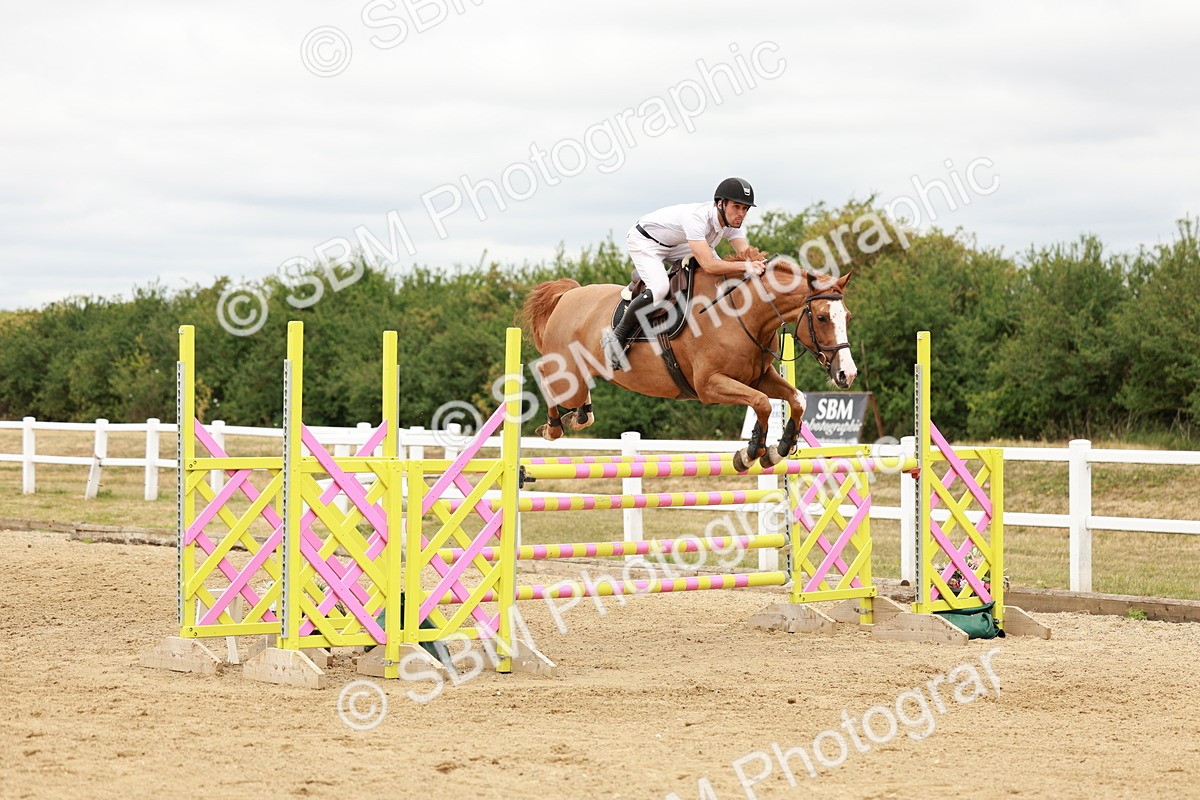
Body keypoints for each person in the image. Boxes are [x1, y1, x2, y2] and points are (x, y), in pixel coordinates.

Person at [602, 177, 767, 370]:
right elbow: (709, 265)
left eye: (745, 209)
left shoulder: (730, 224)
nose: (741, 214)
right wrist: (746, 267)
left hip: (676, 243)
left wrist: (764, 265)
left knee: (716, 279)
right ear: (720, 204)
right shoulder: (697, 219)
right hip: (645, 241)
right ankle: (616, 337)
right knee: (660, 288)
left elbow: (747, 254)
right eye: (736, 207)